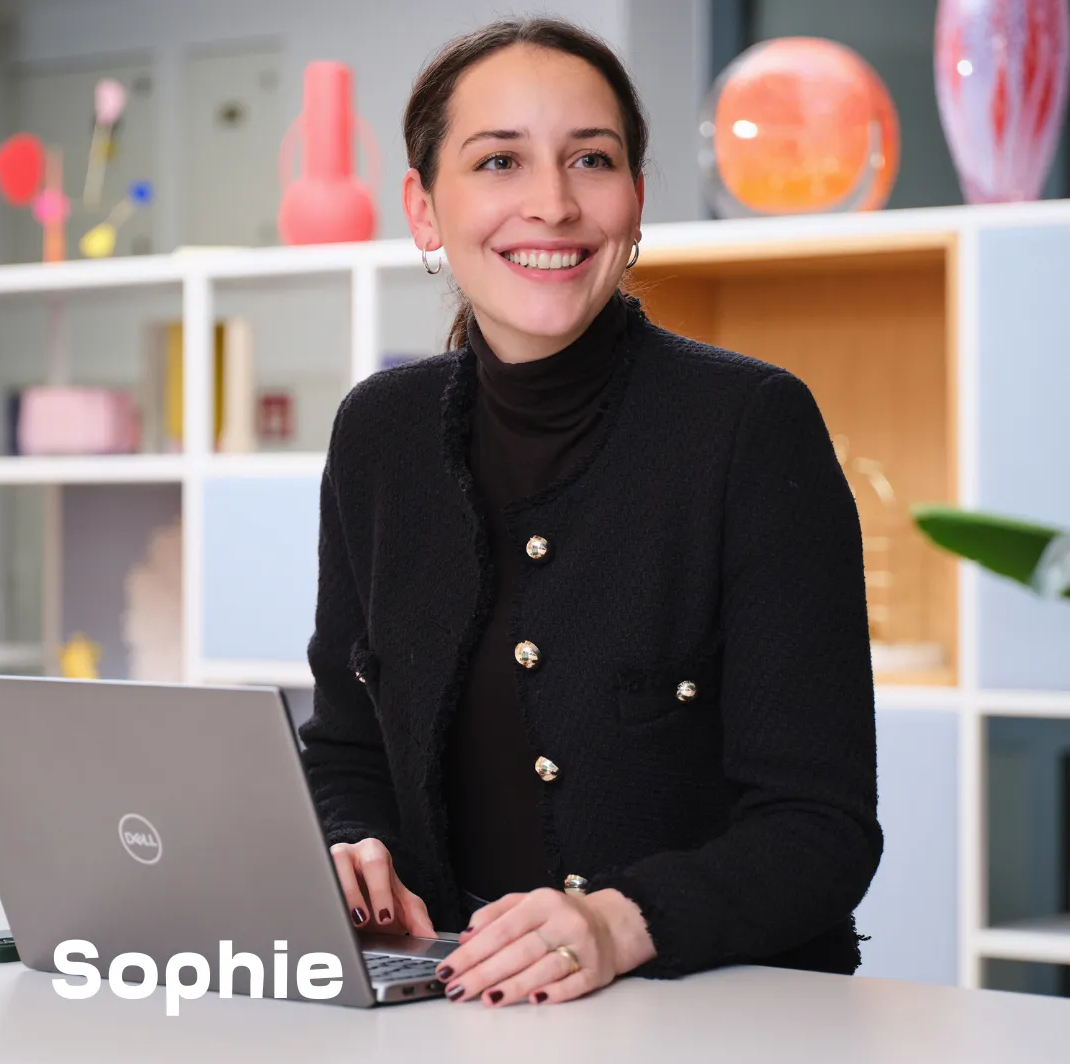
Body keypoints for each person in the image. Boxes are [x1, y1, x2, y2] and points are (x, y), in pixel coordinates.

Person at [299, 16, 882, 1008]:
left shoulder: (750, 425)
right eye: (499, 161)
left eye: (592, 160)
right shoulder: (377, 433)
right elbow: (349, 748)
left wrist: (618, 923)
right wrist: (353, 847)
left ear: (637, 202)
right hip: (449, 1015)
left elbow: (820, 828)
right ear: (424, 211)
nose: (554, 203)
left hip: (723, 1020)